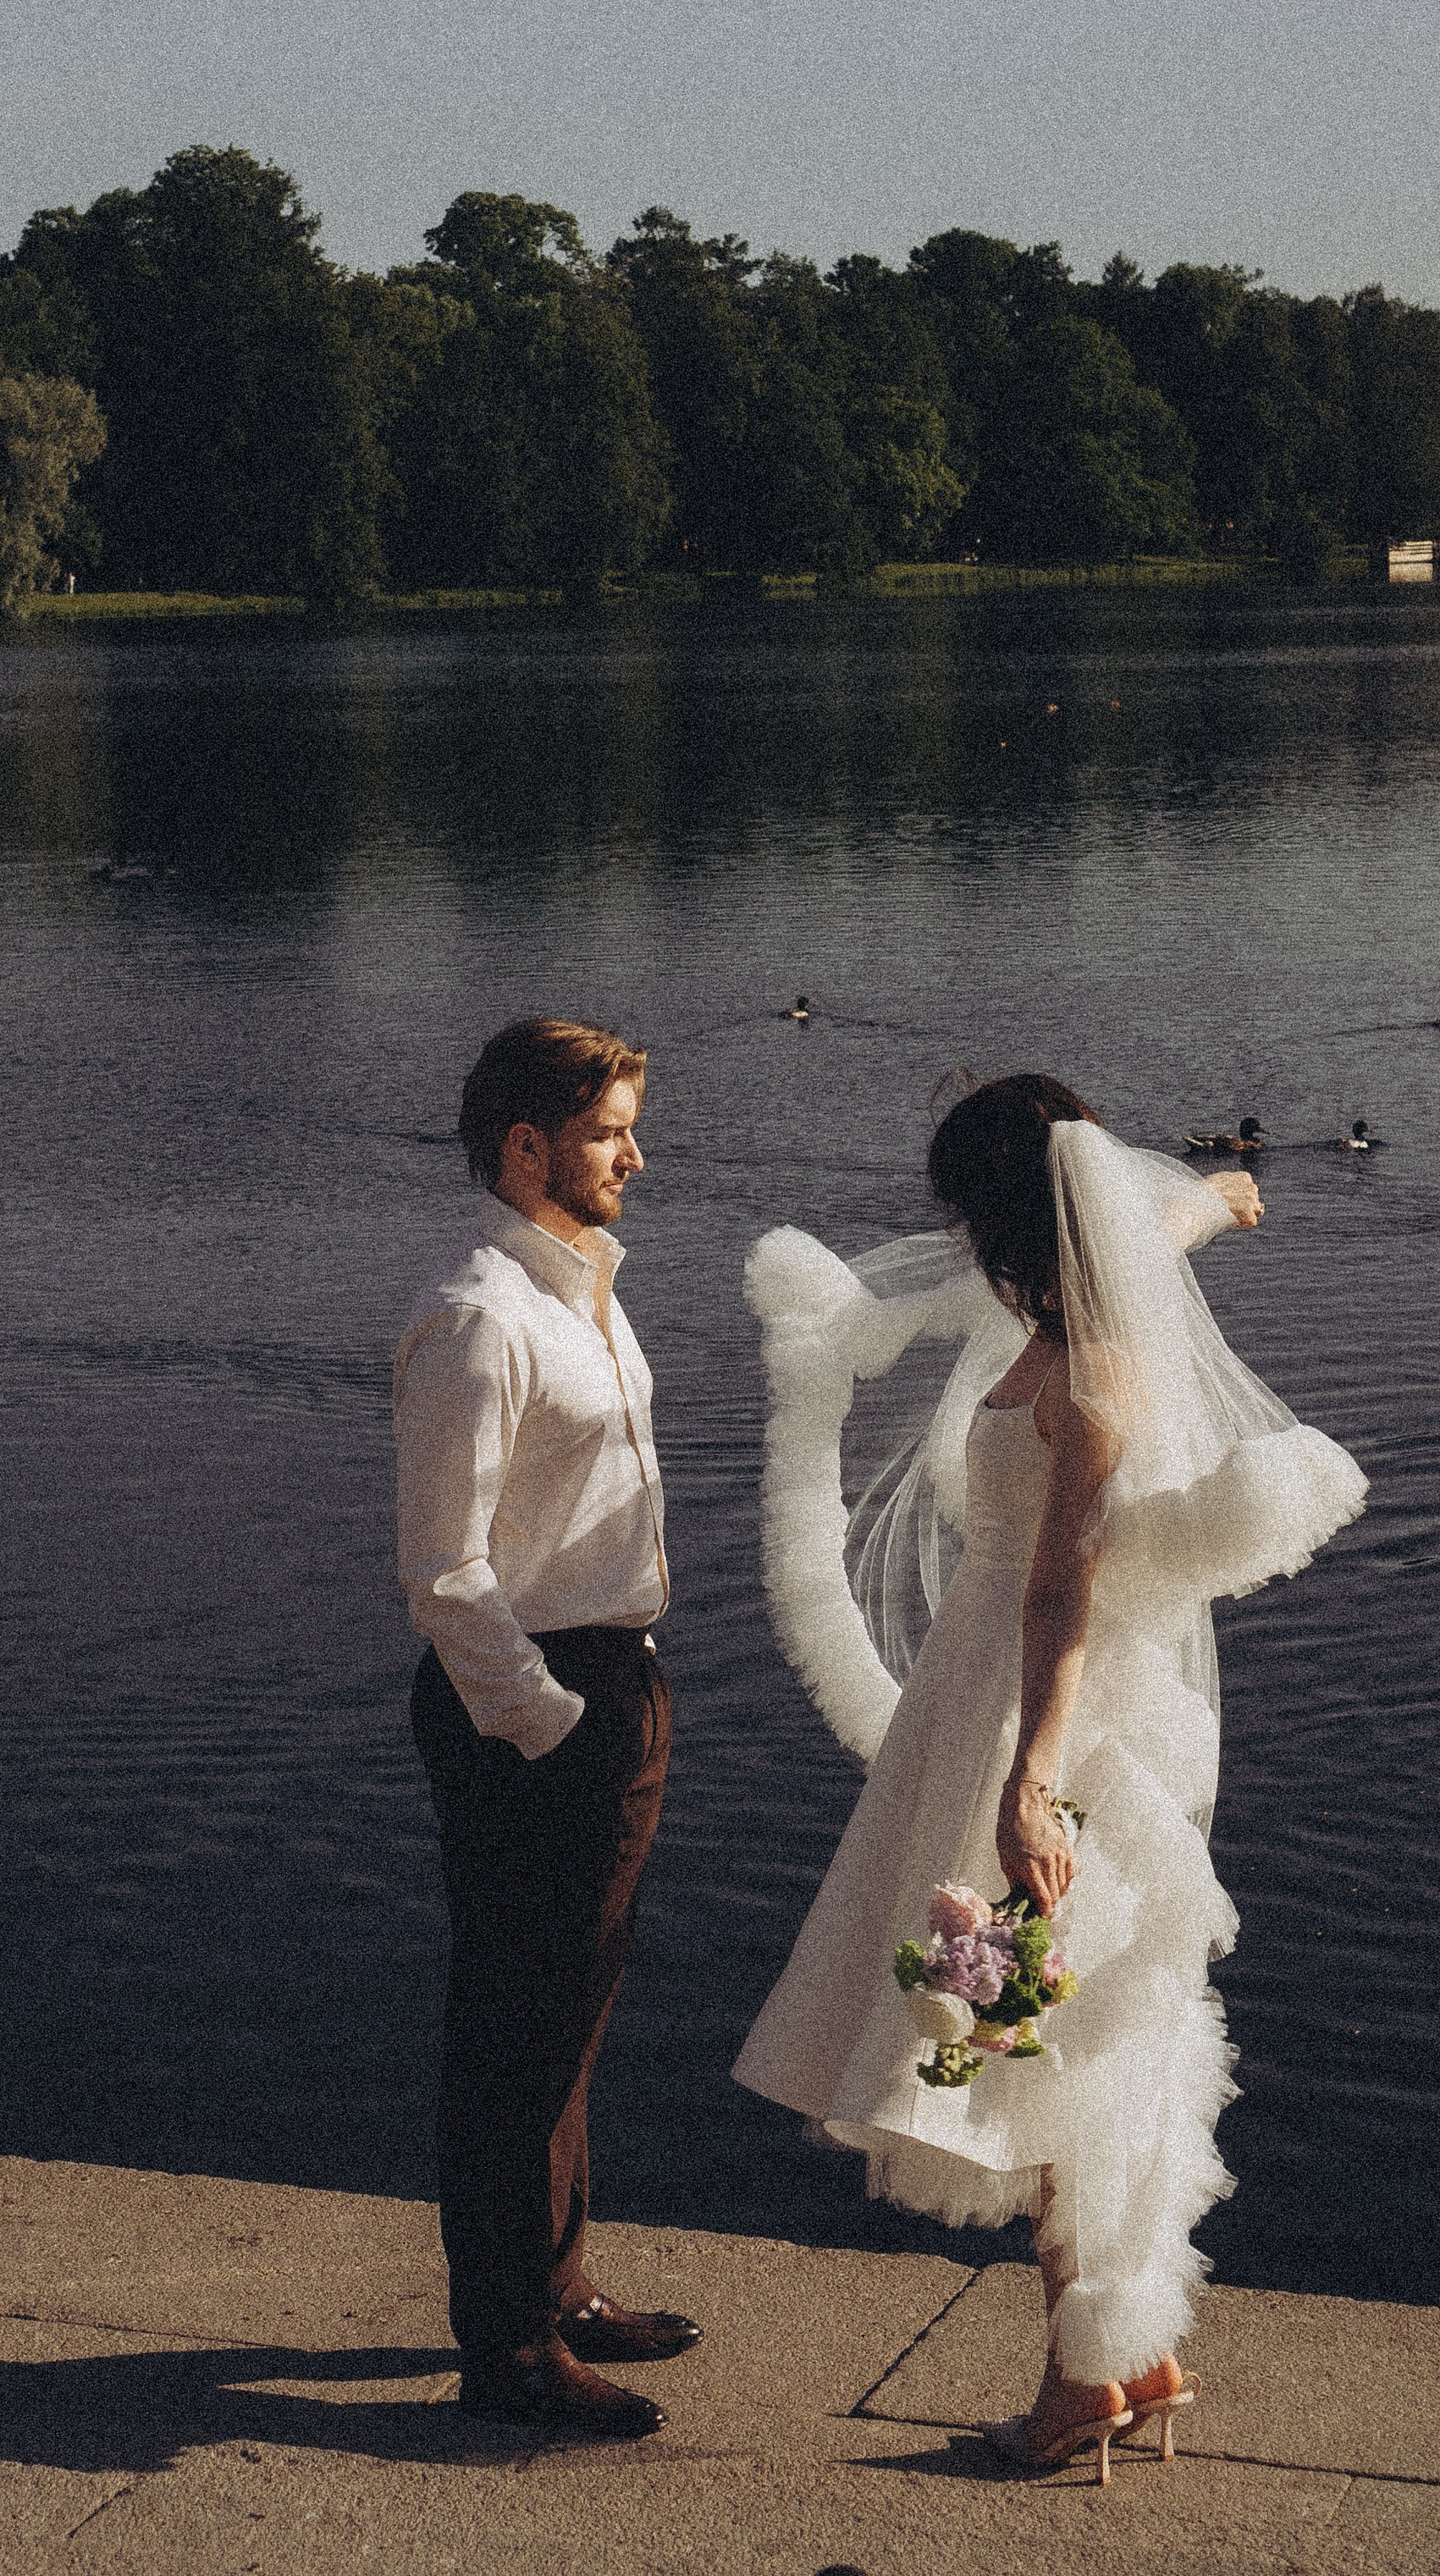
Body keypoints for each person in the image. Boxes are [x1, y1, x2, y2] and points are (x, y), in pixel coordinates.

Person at [733, 1074, 1365, 2481]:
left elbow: (1061, 1595)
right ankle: (1126, 2356)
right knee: (1043, 2033)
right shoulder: (1078, 1317)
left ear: (1010, 1216)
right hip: (993, 1705)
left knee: (1037, 2036)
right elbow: (1159, 1230)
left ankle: (1087, 2379)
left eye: (967, 1213)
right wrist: (1215, 1200)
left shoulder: (1088, 1376)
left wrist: (1032, 1785)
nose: (955, 1239)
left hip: (1053, 1721)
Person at [396, 1018, 699, 2437]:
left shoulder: (581, 1289)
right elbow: (445, 1573)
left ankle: (558, 2286)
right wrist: (552, 1722)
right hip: (530, 1703)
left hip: (608, 1680)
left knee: (574, 2013)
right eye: (609, 1132)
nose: (635, 1154)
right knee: (514, 2025)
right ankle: (506, 2347)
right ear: (528, 1147)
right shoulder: (478, 1318)